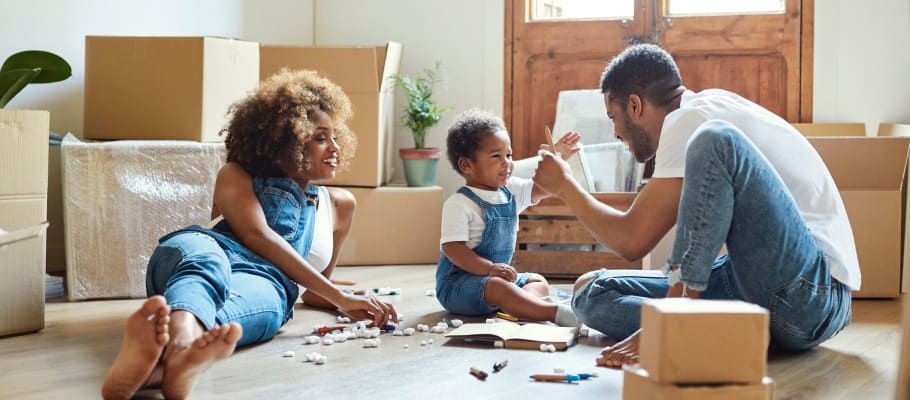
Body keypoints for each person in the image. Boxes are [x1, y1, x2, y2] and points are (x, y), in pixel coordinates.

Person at [533, 44, 859, 367]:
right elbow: (632, 236)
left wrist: (564, 185)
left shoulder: (694, 120)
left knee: (714, 138)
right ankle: (722, 332)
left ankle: (677, 318)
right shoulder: (695, 113)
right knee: (592, 292)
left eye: (613, 118)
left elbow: (632, 240)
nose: (616, 132)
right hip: (762, 288)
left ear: (634, 106)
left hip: (811, 292)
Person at [101, 69, 398, 400]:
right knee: (206, 266)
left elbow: (315, 290)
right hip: (206, 247)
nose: (335, 147)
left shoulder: (342, 205)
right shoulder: (236, 174)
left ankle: (158, 368)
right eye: (319, 137)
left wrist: (353, 304)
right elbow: (257, 236)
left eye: (335, 136)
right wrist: (339, 296)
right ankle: (182, 341)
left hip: (268, 283)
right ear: (286, 141)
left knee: (267, 307)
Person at [436, 108, 582, 326]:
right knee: (499, 287)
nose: (507, 163)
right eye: (496, 156)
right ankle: (548, 312)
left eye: (509, 155)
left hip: (498, 279)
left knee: (537, 281)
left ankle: (520, 306)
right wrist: (488, 269)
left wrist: (556, 160)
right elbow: (453, 250)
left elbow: (542, 189)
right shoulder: (459, 204)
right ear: (467, 165)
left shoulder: (510, 190)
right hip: (460, 284)